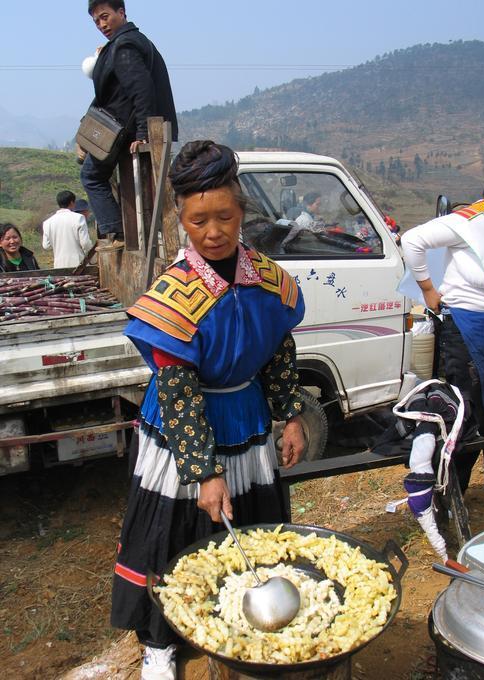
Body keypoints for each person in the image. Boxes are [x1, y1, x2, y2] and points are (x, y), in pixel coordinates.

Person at [111, 140, 306, 679]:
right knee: (169, 535)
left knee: (253, 528)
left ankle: (242, 613)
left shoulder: (269, 280)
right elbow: (177, 391)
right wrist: (203, 473)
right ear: (182, 221)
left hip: (245, 418)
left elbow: (278, 352)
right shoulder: (174, 295)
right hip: (185, 430)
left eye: (224, 216)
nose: (213, 230)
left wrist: (291, 415)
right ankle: (160, 641)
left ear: (243, 213)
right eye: (199, 220)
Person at [401, 146, 484, 501]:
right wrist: (428, 288)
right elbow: (413, 240)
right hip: (466, 328)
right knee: (467, 409)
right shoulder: (471, 221)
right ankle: (452, 492)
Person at [80, 0, 178, 249]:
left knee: (91, 175)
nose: (102, 24)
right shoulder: (124, 43)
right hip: (122, 127)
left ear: (121, 12)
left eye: (105, 16)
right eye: (96, 21)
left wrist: (144, 132)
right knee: (99, 172)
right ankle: (118, 230)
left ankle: (116, 232)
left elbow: (141, 90)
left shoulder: (124, 46)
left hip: (124, 129)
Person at [42, 191, 94, 269]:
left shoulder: (47, 222)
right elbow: (85, 244)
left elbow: (46, 246)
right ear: (72, 202)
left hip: (59, 265)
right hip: (78, 264)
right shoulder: (79, 218)